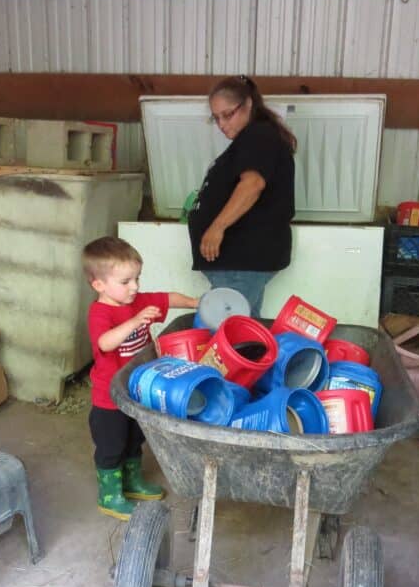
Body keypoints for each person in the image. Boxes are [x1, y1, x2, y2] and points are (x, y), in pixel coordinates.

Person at [83, 236, 199, 520]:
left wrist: (198, 302)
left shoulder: (136, 301)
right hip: (109, 397)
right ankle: (109, 495)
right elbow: (106, 343)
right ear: (99, 284)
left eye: (137, 278)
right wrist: (134, 322)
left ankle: (133, 482)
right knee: (112, 445)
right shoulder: (100, 312)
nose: (135, 287)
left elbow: (168, 298)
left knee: (135, 438)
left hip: (137, 389)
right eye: (125, 281)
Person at [186, 74, 297, 318]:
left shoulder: (258, 136)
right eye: (216, 118)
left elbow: (253, 184)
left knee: (229, 329)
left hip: (243, 258)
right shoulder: (255, 138)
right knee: (244, 329)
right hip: (242, 260)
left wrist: (217, 226)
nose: (222, 125)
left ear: (248, 104)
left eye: (228, 114)